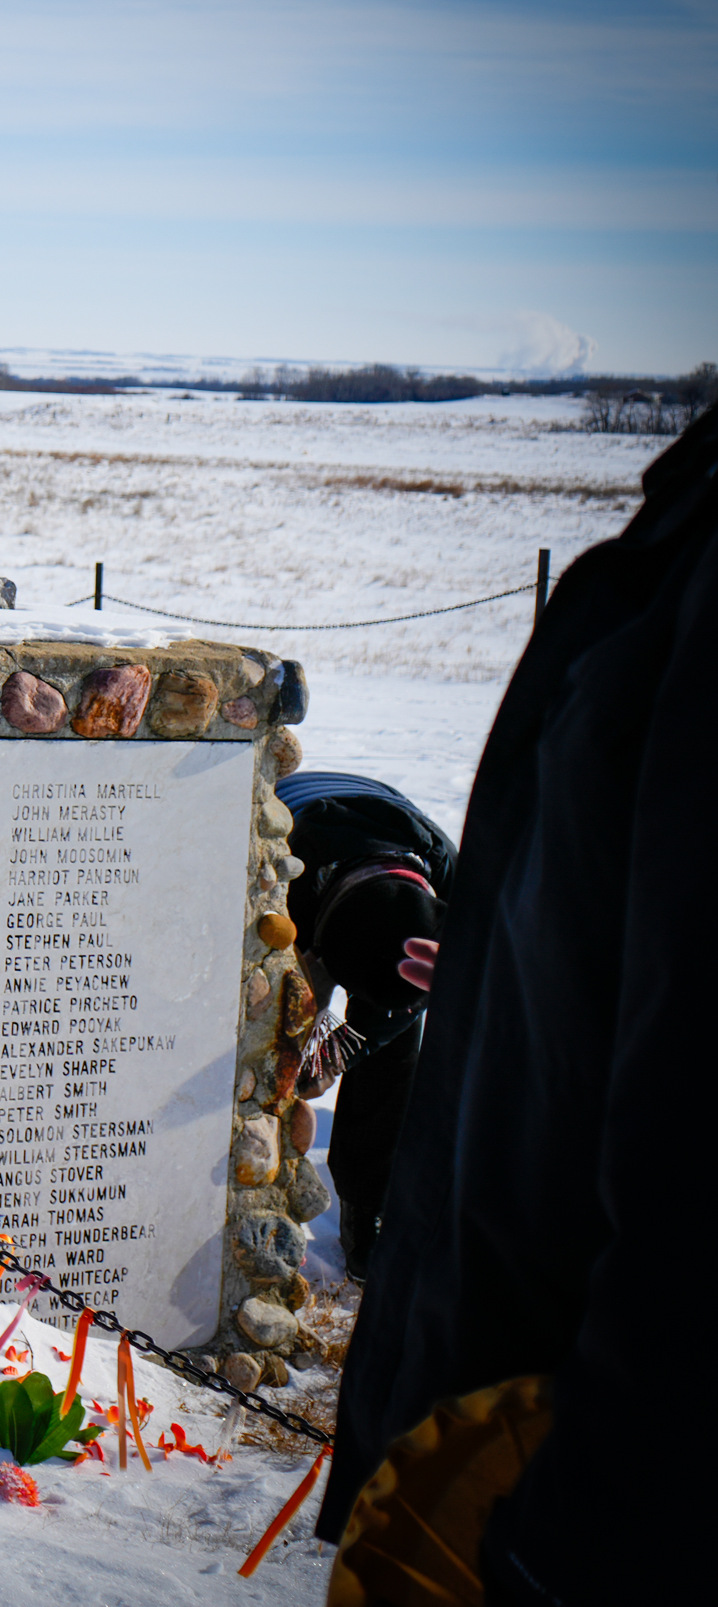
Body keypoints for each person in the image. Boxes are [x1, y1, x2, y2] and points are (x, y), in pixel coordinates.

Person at [318, 405, 717, 1600]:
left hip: (595, 1481)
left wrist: (567, 1533)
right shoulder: (687, 528)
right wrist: (508, 963)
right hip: (528, 1403)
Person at [275, 771, 456, 1280]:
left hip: (384, 863)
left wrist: (341, 1053)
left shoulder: (452, 883)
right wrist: (308, 1042)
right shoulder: (281, 869)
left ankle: (368, 1205)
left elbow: (427, 991)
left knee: (394, 1055)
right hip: (307, 851)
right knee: (278, 1039)